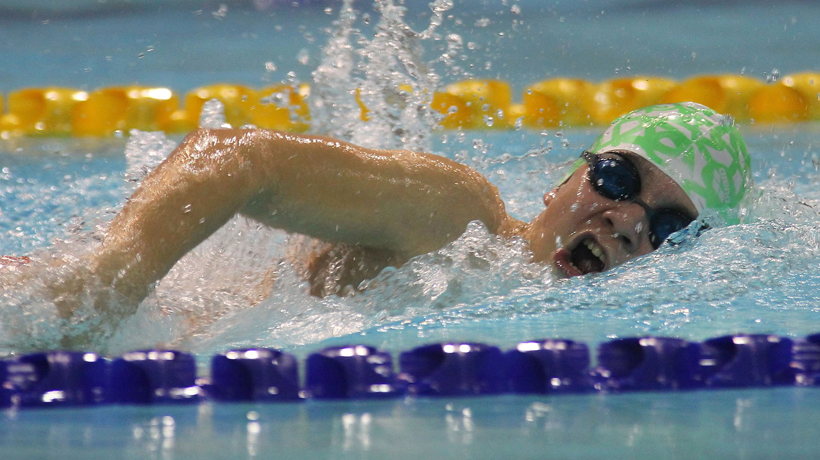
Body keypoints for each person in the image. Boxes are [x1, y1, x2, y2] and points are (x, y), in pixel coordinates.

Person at [42, 101, 750, 329]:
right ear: (568, 175)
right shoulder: (460, 219)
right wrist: (109, 279)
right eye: (617, 177)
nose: (627, 220)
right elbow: (238, 157)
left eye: (667, 226)